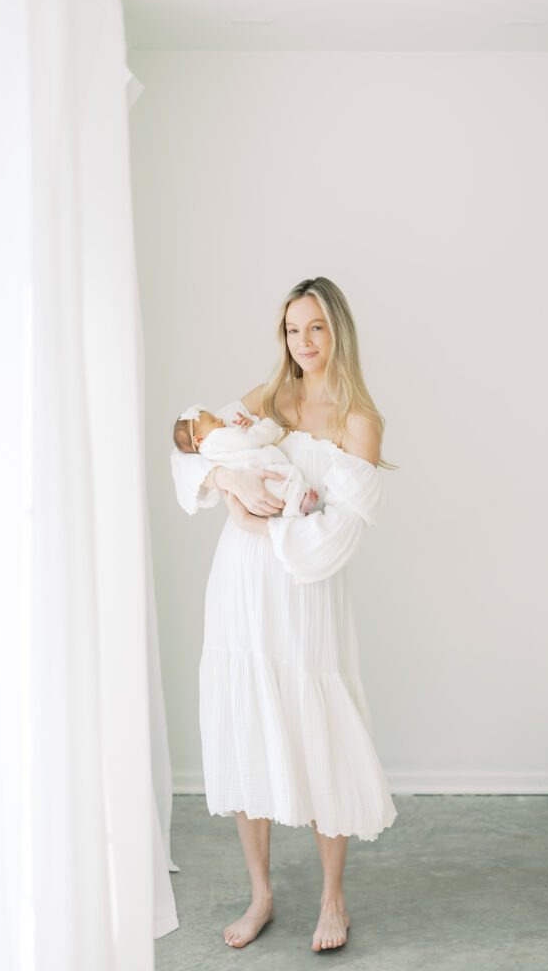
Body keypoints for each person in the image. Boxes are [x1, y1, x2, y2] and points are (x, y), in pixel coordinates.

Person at [169, 276, 398, 952]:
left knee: (317, 730)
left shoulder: (360, 421)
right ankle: (260, 893)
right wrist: (230, 482)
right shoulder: (269, 398)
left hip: (304, 590)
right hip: (238, 585)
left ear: (338, 333)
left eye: (316, 329)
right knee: (246, 722)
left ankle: (332, 900)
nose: (303, 343)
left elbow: (337, 537)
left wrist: (266, 524)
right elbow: (191, 443)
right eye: (294, 330)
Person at [172, 403, 320, 516]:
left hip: (250, 487)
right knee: (288, 477)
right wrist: (268, 424)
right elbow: (250, 440)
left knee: (284, 489)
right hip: (258, 470)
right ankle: (296, 508)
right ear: (198, 439)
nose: (220, 418)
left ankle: (296, 508)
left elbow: (240, 443)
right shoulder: (215, 438)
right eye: (212, 420)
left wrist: (248, 425)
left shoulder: (207, 451)